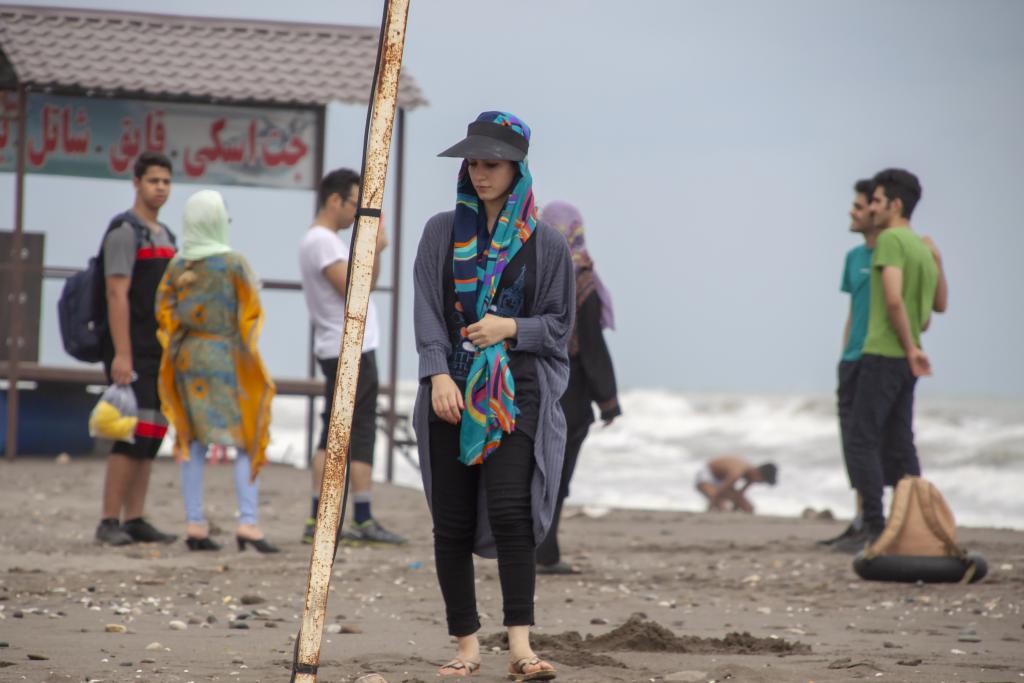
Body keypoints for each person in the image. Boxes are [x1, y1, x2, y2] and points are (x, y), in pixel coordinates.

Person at [413, 111, 574, 680]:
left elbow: (560, 325)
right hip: (448, 390)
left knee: (512, 512)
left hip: (517, 393)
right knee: (450, 523)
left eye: (493, 163)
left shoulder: (547, 244)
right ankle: (465, 647)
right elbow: (429, 311)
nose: (480, 174)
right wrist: (437, 375)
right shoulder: (439, 231)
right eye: (473, 163)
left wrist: (511, 329)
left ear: (518, 167)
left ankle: (522, 647)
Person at [156, 190, 278, 553]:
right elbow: (251, 311)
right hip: (226, 356)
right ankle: (248, 523)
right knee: (246, 438)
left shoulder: (178, 265)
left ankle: (194, 523)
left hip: (188, 357)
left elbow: (163, 309)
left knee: (192, 441)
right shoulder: (233, 263)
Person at [838, 168, 948, 552]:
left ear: (895, 205)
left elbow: (894, 299)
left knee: (861, 440)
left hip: (884, 352)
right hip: (905, 359)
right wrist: (914, 347)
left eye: (879, 201)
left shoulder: (890, 242)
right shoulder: (922, 246)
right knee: (902, 443)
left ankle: (874, 526)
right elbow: (939, 305)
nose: (873, 207)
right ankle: (917, 523)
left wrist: (909, 346)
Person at [298, 168, 405, 546]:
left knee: (349, 430)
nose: (358, 212)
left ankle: (346, 515)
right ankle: (343, 516)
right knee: (343, 432)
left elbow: (367, 285)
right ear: (334, 200)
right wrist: (373, 245)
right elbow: (354, 291)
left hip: (349, 346)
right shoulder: (322, 242)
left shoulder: (326, 242)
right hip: (347, 347)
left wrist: (373, 247)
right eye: (355, 204)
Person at [94, 152, 178, 546]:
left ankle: (136, 517)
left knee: (151, 433)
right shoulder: (125, 232)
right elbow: (116, 293)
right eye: (153, 181)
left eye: (165, 181)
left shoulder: (165, 236)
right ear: (136, 183)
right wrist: (121, 354)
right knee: (128, 435)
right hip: (133, 350)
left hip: (161, 352)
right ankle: (108, 520)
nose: (160, 188)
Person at [534, 201, 621, 575]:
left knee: (532, 473)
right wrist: (609, 401)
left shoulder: (532, 268)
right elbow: (590, 345)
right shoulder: (580, 279)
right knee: (558, 477)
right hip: (568, 393)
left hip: (530, 386)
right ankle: (546, 552)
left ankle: (529, 549)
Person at [694, 456, 778, 513]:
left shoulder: (751, 477)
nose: (758, 483)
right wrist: (711, 507)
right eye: (761, 481)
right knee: (721, 505)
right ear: (758, 474)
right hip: (708, 474)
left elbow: (739, 495)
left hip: (722, 481)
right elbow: (720, 492)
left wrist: (736, 508)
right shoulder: (738, 471)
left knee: (749, 508)